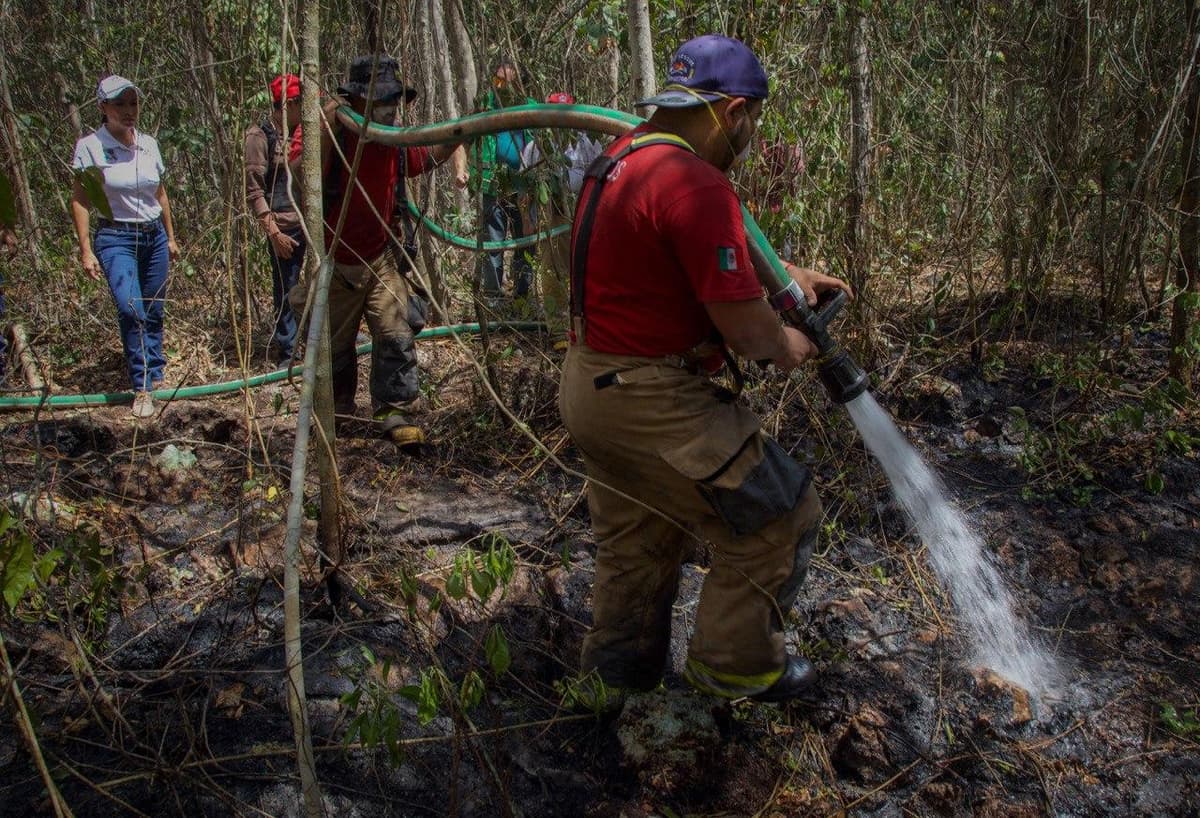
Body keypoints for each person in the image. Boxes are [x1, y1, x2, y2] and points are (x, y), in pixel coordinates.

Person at [558, 35, 852, 704]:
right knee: (781, 514)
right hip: (648, 397)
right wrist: (791, 345)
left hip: (593, 385)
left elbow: (670, 263)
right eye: (752, 124)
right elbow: (751, 336)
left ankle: (613, 690)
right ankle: (735, 670)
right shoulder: (696, 180)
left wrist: (790, 279)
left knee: (640, 542)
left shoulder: (621, 157)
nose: (749, 137)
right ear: (737, 112)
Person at [289, 54, 467, 446]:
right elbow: (301, 173)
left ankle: (394, 411)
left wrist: (460, 134)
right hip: (334, 259)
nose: (388, 112)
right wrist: (329, 123)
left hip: (379, 257)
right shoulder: (329, 135)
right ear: (356, 102)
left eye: (392, 104)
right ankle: (335, 415)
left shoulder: (395, 143)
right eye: (379, 104)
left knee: (395, 333)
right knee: (333, 348)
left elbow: (425, 155)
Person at [70, 75, 179, 419]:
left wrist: (171, 236)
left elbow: (160, 193)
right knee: (131, 309)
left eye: (133, 103)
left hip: (153, 236)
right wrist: (85, 248)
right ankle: (142, 385)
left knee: (153, 308)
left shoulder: (148, 144)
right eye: (120, 104)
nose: (129, 111)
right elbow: (81, 199)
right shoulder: (90, 147)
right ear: (103, 107)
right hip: (116, 236)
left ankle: (156, 372)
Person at [245, 73, 305, 364]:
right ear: (288, 104)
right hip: (284, 226)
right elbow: (254, 190)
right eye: (300, 104)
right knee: (286, 287)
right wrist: (273, 232)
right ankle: (288, 349)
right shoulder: (260, 136)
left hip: (311, 223)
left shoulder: (306, 133)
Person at [473, 58, 538, 304]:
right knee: (493, 243)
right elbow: (460, 139)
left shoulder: (532, 108)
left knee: (527, 241)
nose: (500, 87)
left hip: (525, 187)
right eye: (496, 80)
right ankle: (492, 300)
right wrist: (462, 170)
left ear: (519, 85)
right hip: (494, 185)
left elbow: (545, 146)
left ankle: (522, 297)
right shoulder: (485, 108)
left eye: (506, 82)